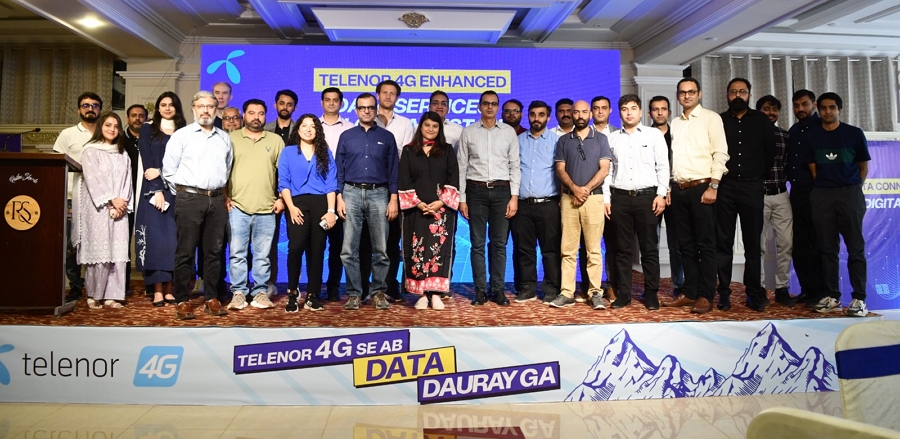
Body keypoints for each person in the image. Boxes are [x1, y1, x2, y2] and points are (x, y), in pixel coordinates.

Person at [163, 90, 233, 320]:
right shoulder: (181, 136)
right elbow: (168, 170)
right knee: (185, 252)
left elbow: (227, 168)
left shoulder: (224, 138)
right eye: (201, 106)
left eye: (210, 106)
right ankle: (182, 300)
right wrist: (184, 194)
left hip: (217, 199)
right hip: (189, 198)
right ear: (193, 108)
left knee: (214, 252)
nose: (205, 110)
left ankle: (211, 298)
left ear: (216, 109)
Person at [663, 78, 729, 314]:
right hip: (679, 189)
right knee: (685, 245)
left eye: (691, 92)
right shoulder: (675, 123)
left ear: (699, 94)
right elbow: (673, 160)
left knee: (705, 245)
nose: (687, 96)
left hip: (703, 188)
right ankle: (690, 292)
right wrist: (668, 187)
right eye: (682, 92)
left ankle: (706, 295)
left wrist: (714, 186)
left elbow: (721, 154)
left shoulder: (711, 118)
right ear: (678, 96)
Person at [805, 92, 870, 317]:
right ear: (818, 109)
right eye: (823, 108)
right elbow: (814, 170)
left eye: (832, 107)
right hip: (822, 194)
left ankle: (859, 299)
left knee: (855, 248)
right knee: (827, 249)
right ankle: (832, 296)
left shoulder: (854, 133)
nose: (828, 111)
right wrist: (828, 188)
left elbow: (863, 168)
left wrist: (851, 188)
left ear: (839, 110)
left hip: (850, 193)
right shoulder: (812, 137)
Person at [604, 95, 669, 310]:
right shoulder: (612, 138)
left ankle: (651, 293)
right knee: (622, 250)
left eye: (633, 108)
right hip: (620, 198)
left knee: (649, 249)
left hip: (648, 198)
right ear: (619, 113)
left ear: (641, 112)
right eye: (624, 109)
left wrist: (661, 194)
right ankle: (624, 293)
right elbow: (608, 172)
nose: (629, 112)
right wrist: (606, 199)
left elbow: (663, 166)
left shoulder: (653, 135)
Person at [336, 92, 399, 311]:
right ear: (356, 111)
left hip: (379, 193)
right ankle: (354, 293)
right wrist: (339, 197)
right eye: (362, 108)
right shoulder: (346, 136)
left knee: (381, 248)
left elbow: (393, 170)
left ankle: (378, 292)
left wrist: (393, 198)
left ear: (376, 110)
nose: (366, 111)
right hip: (350, 193)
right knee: (348, 249)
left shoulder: (387, 137)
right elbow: (339, 169)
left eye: (370, 107)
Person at [716, 78, 774, 312]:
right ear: (727, 95)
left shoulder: (761, 120)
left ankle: (753, 293)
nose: (737, 95)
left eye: (742, 91)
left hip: (752, 187)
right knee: (723, 243)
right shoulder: (719, 120)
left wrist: (757, 176)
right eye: (733, 92)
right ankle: (724, 293)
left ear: (749, 94)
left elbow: (770, 152)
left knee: (752, 244)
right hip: (725, 187)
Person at [457, 90, 520, 306]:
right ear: (479, 106)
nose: (490, 107)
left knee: (499, 244)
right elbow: (461, 167)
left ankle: (498, 290)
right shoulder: (468, 132)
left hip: (502, 192)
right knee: (477, 244)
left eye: (494, 103)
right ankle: (480, 291)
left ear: (498, 107)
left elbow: (514, 166)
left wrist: (514, 197)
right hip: (475, 192)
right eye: (486, 103)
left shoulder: (508, 132)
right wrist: (462, 199)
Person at [225, 99, 285, 311]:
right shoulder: (230, 138)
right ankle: (239, 293)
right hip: (237, 207)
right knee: (237, 253)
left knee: (263, 255)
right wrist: (225, 196)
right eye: (252, 113)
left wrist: (281, 198)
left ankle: (260, 292)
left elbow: (283, 173)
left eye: (260, 113)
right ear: (244, 115)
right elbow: (222, 170)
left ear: (265, 116)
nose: (256, 117)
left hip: (267, 208)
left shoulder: (275, 140)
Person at [553, 100, 612, 309]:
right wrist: (575, 189)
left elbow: (604, 169)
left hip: (594, 199)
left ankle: (595, 293)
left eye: (584, 112)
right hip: (569, 199)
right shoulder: (563, 141)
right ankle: (566, 292)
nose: (580, 115)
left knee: (593, 250)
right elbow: (560, 169)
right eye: (576, 112)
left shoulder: (601, 139)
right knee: (567, 250)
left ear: (590, 114)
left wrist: (585, 189)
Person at [399, 112, 460, 310]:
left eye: (435, 126)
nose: (431, 129)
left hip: (441, 212)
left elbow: (453, 178)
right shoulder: (409, 151)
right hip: (415, 210)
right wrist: (418, 204)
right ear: (421, 127)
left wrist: (441, 203)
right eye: (427, 125)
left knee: (438, 251)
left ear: (440, 129)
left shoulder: (447, 150)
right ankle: (421, 295)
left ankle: (436, 294)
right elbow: (404, 179)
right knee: (417, 250)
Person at [279, 114, 338, 312]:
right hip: (296, 204)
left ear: (317, 130)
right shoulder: (288, 152)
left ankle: (313, 294)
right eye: (304, 125)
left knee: (317, 249)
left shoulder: (325, 152)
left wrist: (331, 211)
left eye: (312, 126)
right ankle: (293, 293)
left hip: (321, 204)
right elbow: (284, 182)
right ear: (298, 129)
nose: (308, 129)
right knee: (295, 247)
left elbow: (331, 184)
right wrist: (291, 207)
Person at [76, 112, 132, 309]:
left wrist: (121, 204)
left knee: (116, 251)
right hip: (98, 209)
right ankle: (94, 294)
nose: (112, 129)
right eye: (108, 125)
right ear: (101, 126)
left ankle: (112, 295)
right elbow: (93, 180)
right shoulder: (90, 151)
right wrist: (111, 201)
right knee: (99, 251)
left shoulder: (122, 153)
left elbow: (127, 181)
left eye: (116, 126)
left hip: (120, 210)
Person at [135, 92, 183, 307]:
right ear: (157, 108)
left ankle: (169, 288)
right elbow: (148, 161)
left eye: (171, 105)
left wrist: (162, 172)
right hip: (153, 190)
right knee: (156, 241)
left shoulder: (184, 131)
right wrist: (157, 189)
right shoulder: (148, 128)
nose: (167, 108)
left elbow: (186, 162)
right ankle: (156, 290)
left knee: (174, 241)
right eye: (163, 104)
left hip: (178, 190)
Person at [53, 92, 102, 302]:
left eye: (94, 105)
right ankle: (75, 286)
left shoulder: (106, 131)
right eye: (85, 105)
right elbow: (57, 165)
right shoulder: (68, 134)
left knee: (96, 242)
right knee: (71, 245)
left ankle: (97, 286)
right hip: (72, 197)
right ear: (78, 109)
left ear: (100, 109)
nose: (90, 109)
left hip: (99, 198)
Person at [514, 100, 561, 304]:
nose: (536, 118)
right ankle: (527, 288)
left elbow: (561, 172)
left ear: (548, 117)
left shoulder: (557, 141)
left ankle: (551, 289)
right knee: (525, 249)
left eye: (541, 115)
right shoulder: (518, 141)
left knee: (550, 250)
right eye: (533, 114)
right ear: (528, 116)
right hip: (523, 204)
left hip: (549, 203)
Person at [372, 80, 414, 303]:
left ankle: (390, 285)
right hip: (370, 185)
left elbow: (406, 159)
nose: (388, 96)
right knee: (369, 240)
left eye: (392, 93)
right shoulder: (367, 120)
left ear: (397, 97)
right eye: (384, 93)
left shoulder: (405, 124)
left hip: (395, 187)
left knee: (392, 240)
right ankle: (369, 286)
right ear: (378, 95)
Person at [756, 95, 796, 306]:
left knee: (786, 243)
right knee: (758, 246)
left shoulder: (785, 135)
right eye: (766, 108)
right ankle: (759, 289)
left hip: (781, 195)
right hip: (758, 196)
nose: (770, 112)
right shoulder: (752, 135)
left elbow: (788, 164)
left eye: (774, 109)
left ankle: (782, 288)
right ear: (758, 111)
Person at [787, 89, 824, 307]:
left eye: (805, 104)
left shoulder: (823, 127)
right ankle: (806, 290)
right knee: (799, 244)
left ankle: (821, 292)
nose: (800, 109)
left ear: (814, 104)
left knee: (818, 243)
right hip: (796, 192)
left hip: (817, 192)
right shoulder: (793, 130)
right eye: (796, 105)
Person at [262, 89, 298, 298]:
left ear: (294, 107)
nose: (285, 107)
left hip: (295, 193)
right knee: (269, 241)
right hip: (269, 193)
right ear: (275, 105)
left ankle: (294, 284)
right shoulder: (264, 130)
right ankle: (269, 282)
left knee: (296, 241)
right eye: (282, 103)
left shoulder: (301, 130)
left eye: (289, 104)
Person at [319, 87, 354, 302]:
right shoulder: (312, 126)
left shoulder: (350, 128)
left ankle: (333, 287)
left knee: (338, 245)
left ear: (341, 103)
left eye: (335, 100)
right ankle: (314, 287)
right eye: (327, 99)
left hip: (341, 193)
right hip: (316, 192)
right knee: (315, 244)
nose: (331, 103)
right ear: (322, 102)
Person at [649, 95, 684, 297]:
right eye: (656, 109)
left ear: (669, 112)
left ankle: (679, 285)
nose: (660, 112)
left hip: (676, 194)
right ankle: (651, 287)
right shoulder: (644, 136)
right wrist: (660, 190)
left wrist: (669, 188)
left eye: (663, 109)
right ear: (649, 113)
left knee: (676, 244)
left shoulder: (678, 136)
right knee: (651, 244)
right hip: (651, 195)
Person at [592, 95, 619, 303]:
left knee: (612, 244)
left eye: (604, 108)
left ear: (610, 110)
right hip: (590, 197)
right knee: (588, 245)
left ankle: (611, 285)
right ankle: (590, 286)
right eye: (596, 108)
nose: (600, 111)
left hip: (614, 198)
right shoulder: (584, 135)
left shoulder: (618, 135)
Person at [122, 104, 147, 297]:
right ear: (127, 118)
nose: (137, 118)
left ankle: (150, 282)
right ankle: (123, 284)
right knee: (123, 241)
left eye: (141, 116)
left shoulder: (151, 139)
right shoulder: (120, 140)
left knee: (147, 239)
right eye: (133, 115)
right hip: (125, 197)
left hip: (146, 197)